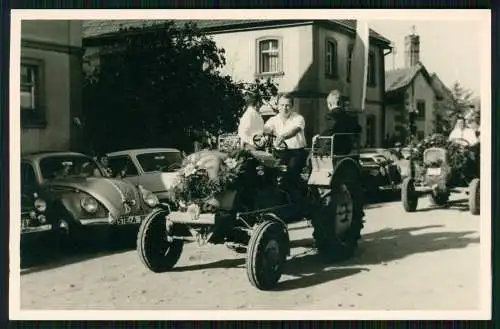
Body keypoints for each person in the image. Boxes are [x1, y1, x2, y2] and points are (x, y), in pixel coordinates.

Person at [264, 93, 308, 186]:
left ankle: (294, 194)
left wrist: (282, 136)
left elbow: (294, 130)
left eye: (287, 105)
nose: (284, 108)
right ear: (278, 106)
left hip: (296, 153)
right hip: (278, 154)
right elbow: (265, 130)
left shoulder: (298, 118)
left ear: (292, 106)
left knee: (291, 171)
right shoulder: (273, 120)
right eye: (282, 105)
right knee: (266, 170)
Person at [316, 89, 362, 155]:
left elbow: (331, 129)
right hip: (347, 149)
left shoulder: (331, 114)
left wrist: (319, 136)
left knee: (311, 156)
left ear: (330, 104)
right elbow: (358, 129)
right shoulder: (349, 115)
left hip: (333, 148)